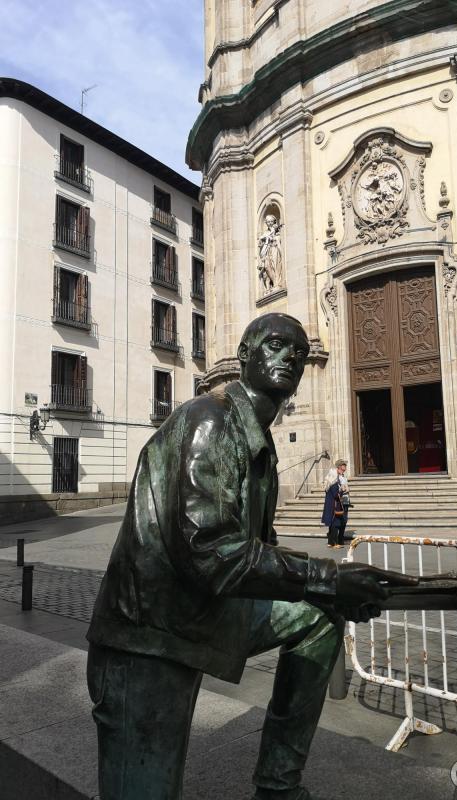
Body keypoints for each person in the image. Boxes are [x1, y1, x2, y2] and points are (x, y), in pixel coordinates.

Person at [86, 312, 417, 800]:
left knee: (318, 615)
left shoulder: (255, 439)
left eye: (300, 354)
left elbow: (256, 552)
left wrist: (338, 589)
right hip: (148, 635)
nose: (290, 357)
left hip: (201, 612)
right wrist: (323, 575)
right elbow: (211, 551)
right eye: (277, 345)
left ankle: (277, 785)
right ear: (243, 356)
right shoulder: (210, 420)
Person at [321, 459, 350, 549]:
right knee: (335, 523)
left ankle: (331, 542)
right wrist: (343, 490)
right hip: (334, 504)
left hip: (334, 504)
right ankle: (334, 542)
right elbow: (335, 494)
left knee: (334, 523)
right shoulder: (334, 480)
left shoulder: (335, 478)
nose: (345, 466)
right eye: (343, 465)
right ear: (339, 467)